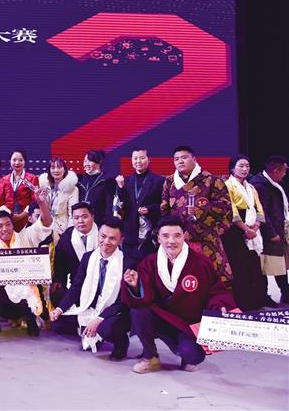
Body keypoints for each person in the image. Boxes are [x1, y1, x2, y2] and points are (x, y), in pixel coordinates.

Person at [121, 216, 236, 374]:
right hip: (161, 318)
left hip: (187, 323)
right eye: (165, 236)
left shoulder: (201, 263)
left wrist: (220, 306)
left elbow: (216, 291)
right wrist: (135, 285)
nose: (171, 241)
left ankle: (185, 356)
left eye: (177, 236)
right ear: (158, 238)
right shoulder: (149, 262)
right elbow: (144, 295)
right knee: (138, 312)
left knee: (193, 355)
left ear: (184, 236)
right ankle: (150, 357)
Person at [50, 218, 131, 360]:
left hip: (115, 310)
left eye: (112, 238)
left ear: (121, 240)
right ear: (98, 234)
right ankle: (89, 331)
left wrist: (99, 318)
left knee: (106, 328)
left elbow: (124, 301)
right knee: (58, 325)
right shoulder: (88, 258)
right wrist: (60, 309)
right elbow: (76, 287)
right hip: (90, 305)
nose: (106, 242)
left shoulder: (128, 262)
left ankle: (121, 343)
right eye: (103, 236)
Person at [0, 197, 54, 337]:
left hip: (29, 292)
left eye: (8, 224)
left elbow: (46, 223)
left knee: (31, 291)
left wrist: (42, 203)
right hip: (8, 299)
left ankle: (31, 319)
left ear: (13, 225)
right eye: (0, 226)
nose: (5, 229)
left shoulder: (26, 236)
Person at [160, 145, 233, 286]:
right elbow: (164, 210)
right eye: (176, 159)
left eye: (184, 157)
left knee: (211, 280)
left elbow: (225, 207)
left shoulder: (211, 179)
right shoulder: (169, 182)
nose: (180, 161)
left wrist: (199, 210)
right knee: (180, 281)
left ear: (194, 159)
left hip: (206, 239)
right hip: (178, 240)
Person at [222, 155, 268, 310]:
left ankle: (256, 302)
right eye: (241, 166)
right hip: (235, 231)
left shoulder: (251, 187)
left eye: (247, 166)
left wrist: (255, 227)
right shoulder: (227, 185)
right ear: (232, 168)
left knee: (253, 267)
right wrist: (246, 229)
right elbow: (231, 210)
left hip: (253, 230)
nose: (245, 169)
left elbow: (259, 209)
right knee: (239, 268)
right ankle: (241, 303)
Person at [115, 148, 164, 268]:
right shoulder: (126, 181)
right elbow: (121, 207)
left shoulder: (159, 180)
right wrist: (120, 188)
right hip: (130, 234)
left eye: (142, 158)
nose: (138, 161)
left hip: (149, 234)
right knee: (128, 270)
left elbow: (164, 205)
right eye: (135, 158)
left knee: (149, 269)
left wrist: (150, 209)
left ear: (149, 159)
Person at [250, 155, 289, 305]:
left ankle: (285, 293)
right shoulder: (260, 185)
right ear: (276, 170)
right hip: (265, 234)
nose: (285, 174)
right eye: (284, 171)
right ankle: (264, 297)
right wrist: (271, 233)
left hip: (279, 230)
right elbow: (262, 212)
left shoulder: (274, 183)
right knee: (264, 266)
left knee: (279, 264)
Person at [51, 202, 99, 305]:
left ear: (92, 217)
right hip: (76, 282)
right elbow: (60, 261)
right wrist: (59, 279)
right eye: (76, 218)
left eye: (84, 217)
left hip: (99, 280)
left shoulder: (102, 233)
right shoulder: (67, 236)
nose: (80, 221)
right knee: (58, 294)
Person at [37, 157, 79, 243]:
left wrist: (68, 234)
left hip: (62, 229)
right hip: (45, 227)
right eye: (53, 167)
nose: (56, 170)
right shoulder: (44, 186)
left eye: (59, 167)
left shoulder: (72, 189)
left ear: (64, 169)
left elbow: (72, 214)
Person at [0, 149, 39, 231]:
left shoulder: (32, 178)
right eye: (14, 160)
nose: (17, 163)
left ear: (25, 161)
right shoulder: (4, 179)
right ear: (10, 161)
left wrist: (21, 216)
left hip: (26, 219)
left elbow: (34, 201)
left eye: (20, 160)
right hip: (7, 219)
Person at [77, 150, 118, 226]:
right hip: (81, 221)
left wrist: (107, 223)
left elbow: (109, 204)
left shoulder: (107, 180)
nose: (86, 164)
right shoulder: (80, 179)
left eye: (90, 161)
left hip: (98, 222)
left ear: (99, 162)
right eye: (85, 161)